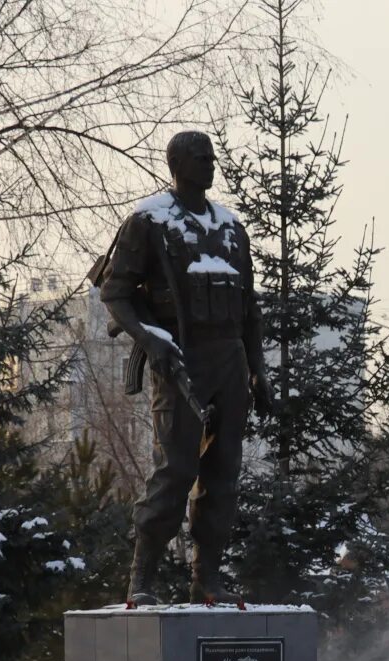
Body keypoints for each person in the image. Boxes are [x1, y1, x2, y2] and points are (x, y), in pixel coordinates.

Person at [99, 130, 277, 605]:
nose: (211, 164)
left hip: (230, 362)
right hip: (181, 358)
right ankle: (142, 580)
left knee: (223, 475)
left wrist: (258, 369)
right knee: (175, 472)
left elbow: (249, 310)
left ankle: (208, 579)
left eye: (212, 157)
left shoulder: (230, 228)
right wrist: (150, 339)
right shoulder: (149, 222)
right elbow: (115, 294)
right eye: (200, 158)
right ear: (175, 164)